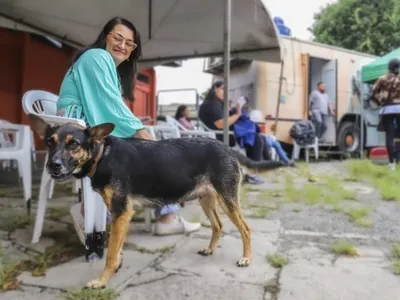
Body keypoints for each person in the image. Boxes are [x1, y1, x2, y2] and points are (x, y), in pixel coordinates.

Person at [56, 16, 201, 243]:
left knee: (143, 151)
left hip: (88, 126)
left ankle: (116, 211)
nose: (122, 46)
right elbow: (108, 102)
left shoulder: (107, 66)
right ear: (105, 36)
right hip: (79, 129)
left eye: (129, 43)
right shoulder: (97, 56)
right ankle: (165, 218)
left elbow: (107, 103)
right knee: (151, 152)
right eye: (118, 38)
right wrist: (138, 128)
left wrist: (136, 125)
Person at [199, 82, 269, 162]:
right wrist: (238, 114)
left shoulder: (216, 104)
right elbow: (220, 124)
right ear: (215, 89)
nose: (225, 93)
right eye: (223, 89)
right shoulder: (210, 105)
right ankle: (256, 167)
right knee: (257, 139)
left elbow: (225, 116)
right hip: (224, 136)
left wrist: (235, 108)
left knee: (261, 137)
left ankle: (268, 165)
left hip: (229, 134)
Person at [370, 58, 400, 170]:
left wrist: (380, 102)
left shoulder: (382, 79)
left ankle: (391, 163)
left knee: (390, 136)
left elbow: (372, 92)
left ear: (389, 67)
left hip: (387, 109)